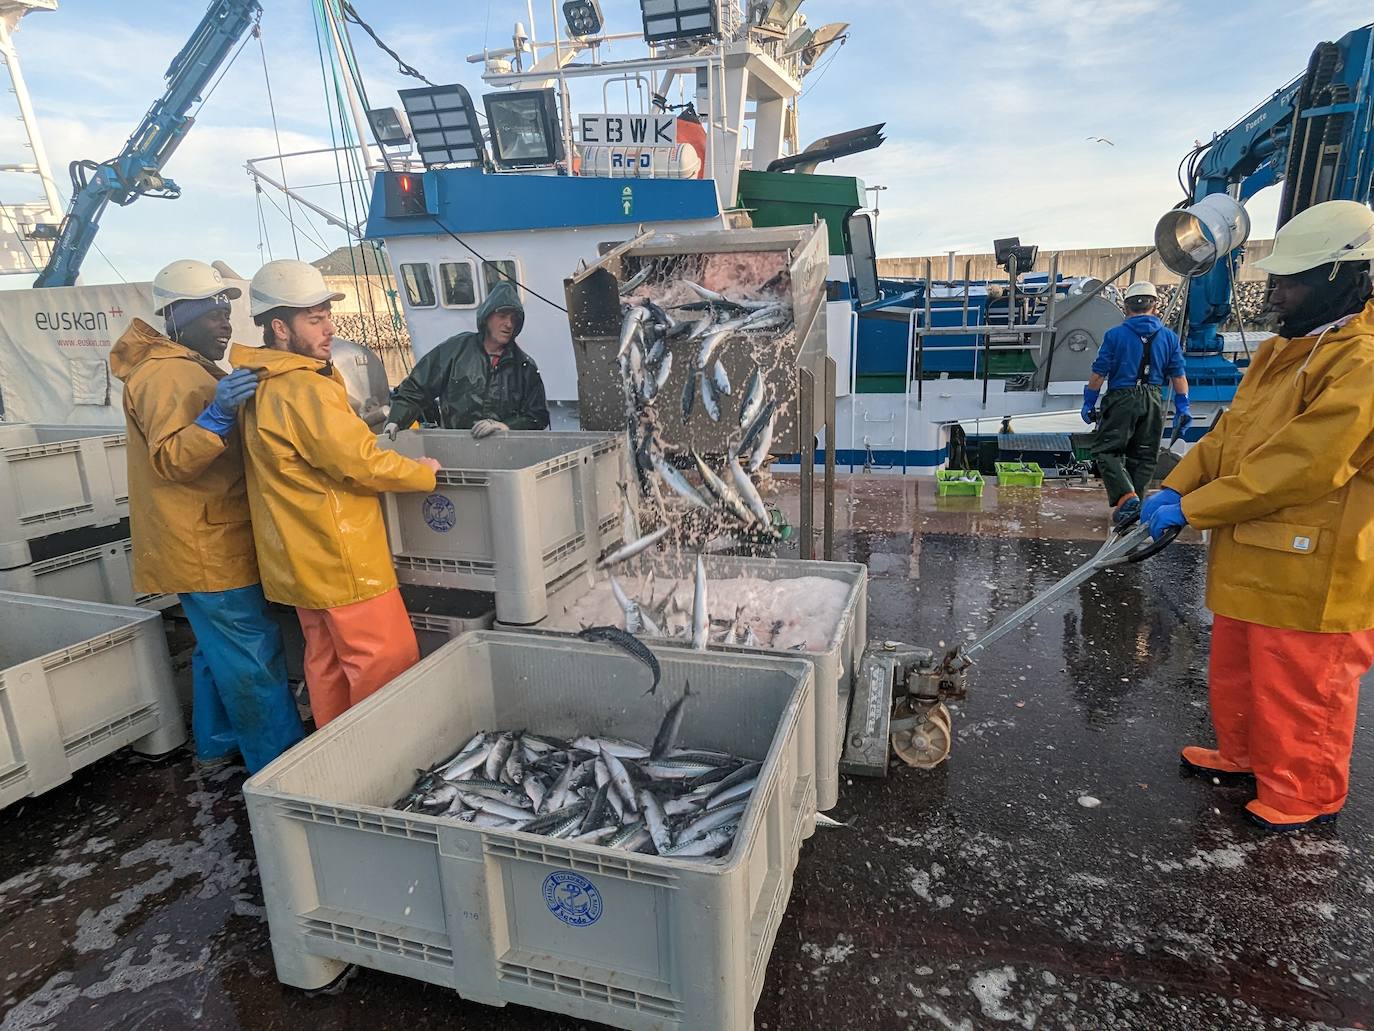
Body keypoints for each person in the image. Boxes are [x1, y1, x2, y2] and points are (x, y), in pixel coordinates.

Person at [1143, 199, 1374, 832]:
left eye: (1293, 278)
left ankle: (1304, 792)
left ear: (1341, 276)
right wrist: (1174, 486)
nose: (1275, 288)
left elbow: (1303, 464)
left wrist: (1194, 509)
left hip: (1316, 566)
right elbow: (1229, 437)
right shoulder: (1285, 350)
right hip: (1255, 551)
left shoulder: (1362, 361)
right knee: (1242, 667)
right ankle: (1243, 756)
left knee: (1304, 684)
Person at [109, 259, 304, 772]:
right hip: (206, 545)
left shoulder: (184, 365)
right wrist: (216, 417)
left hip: (200, 536)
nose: (225, 321)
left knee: (216, 650)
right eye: (212, 311)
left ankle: (219, 741)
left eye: (227, 310)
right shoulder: (166, 373)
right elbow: (172, 459)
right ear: (176, 314)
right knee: (251, 656)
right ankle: (281, 769)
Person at [230, 259, 441, 728]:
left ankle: (337, 760)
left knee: (326, 665)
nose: (329, 329)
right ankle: (384, 762)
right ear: (280, 327)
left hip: (301, 563)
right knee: (385, 661)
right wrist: (422, 473)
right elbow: (359, 462)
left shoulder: (261, 384)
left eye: (327, 315)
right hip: (342, 559)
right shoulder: (304, 388)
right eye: (314, 319)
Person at [1081, 281, 1190, 525]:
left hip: (1121, 397)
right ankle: (1135, 510)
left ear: (1126, 306)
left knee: (1107, 450)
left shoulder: (1115, 335)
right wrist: (1183, 407)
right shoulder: (1169, 337)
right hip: (1153, 398)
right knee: (1144, 456)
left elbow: (1099, 374)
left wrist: (1089, 400)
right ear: (1155, 306)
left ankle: (1126, 498)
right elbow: (1179, 376)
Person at [384, 280, 549, 440]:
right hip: (456, 447)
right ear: (487, 316)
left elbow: (538, 416)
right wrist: (395, 420)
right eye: (503, 316)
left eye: (514, 319)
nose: (508, 324)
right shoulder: (456, 350)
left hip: (504, 452)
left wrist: (506, 427)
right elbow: (416, 388)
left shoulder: (525, 367)